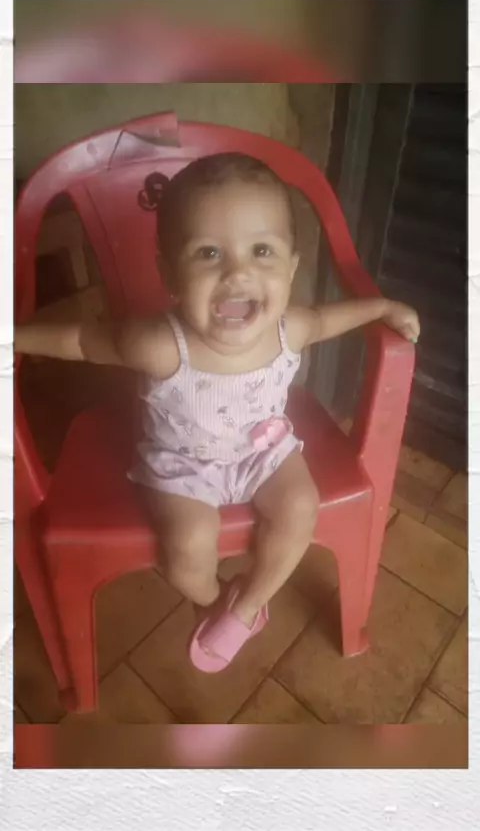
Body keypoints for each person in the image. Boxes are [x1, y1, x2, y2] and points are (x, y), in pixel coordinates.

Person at [15, 153, 420, 673]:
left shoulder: (290, 329)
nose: (238, 272)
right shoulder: (160, 344)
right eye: (208, 253)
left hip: (264, 450)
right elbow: (82, 340)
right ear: (170, 274)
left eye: (262, 251)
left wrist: (381, 307)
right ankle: (213, 602)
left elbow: (326, 318)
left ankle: (249, 605)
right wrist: (14, 336)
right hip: (184, 465)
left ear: (292, 268)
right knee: (184, 553)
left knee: (301, 507)